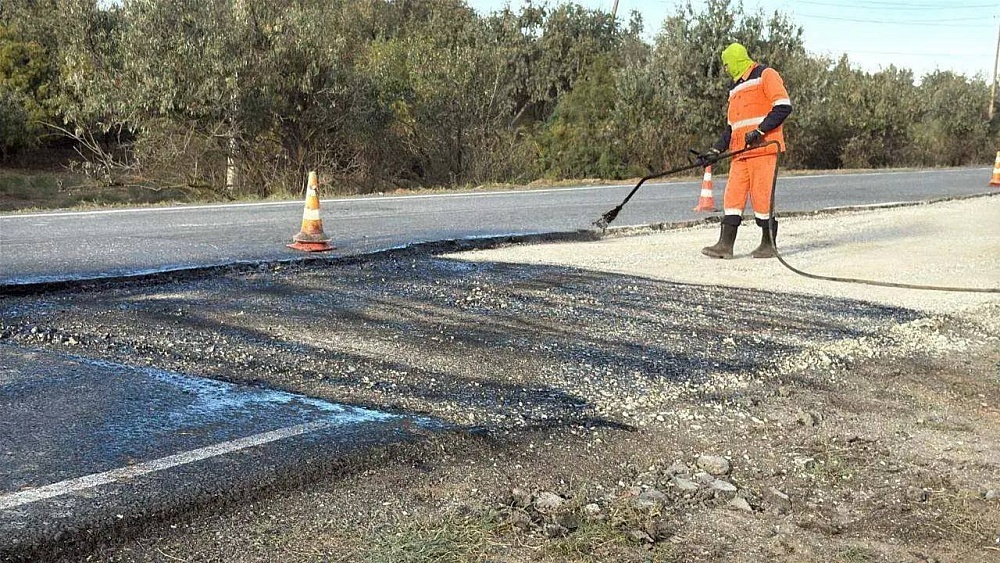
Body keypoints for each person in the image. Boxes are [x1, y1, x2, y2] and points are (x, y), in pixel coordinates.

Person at [697, 42, 792, 259]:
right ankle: (725, 245)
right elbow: (732, 128)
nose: (727, 69)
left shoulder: (765, 75)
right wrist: (715, 150)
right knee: (732, 197)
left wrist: (760, 131)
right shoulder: (735, 89)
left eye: (727, 64)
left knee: (762, 197)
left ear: (737, 59)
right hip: (740, 154)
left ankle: (768, 245)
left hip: (763, 149)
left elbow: (784, 106)